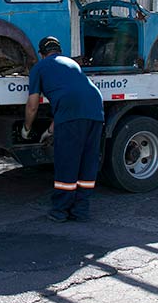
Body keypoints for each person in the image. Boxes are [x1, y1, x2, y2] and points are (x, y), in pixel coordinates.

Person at [22, 36, 104, 222]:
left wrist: (27, 127)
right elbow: (68, 101)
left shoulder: (40, 67)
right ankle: (81, 211)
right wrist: (50, 131)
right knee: (87, 162)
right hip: (95, 109)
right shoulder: (71, 64)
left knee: (67, 162)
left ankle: (60, 211)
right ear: (59, 50)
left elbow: (32, 105)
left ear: (41, 54)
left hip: (72, 112)